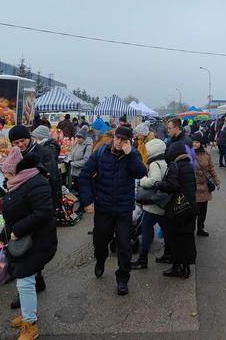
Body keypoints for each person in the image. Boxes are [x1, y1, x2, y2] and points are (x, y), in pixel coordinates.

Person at [78, 126, 147, 296]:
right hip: (104, 207)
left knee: (124, 244)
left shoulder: (133, 155)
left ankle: (123, 278)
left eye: (123, 139)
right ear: (113, 137)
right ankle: (100, 260)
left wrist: (130, 155)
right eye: (117, 138)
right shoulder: (102, 152)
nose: (119, 142)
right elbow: (85, 175)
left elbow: (141, 173)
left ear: (129, 141)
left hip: (124, 208)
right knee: (100, 240)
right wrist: (87, 201)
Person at [0, 146, 57, 340]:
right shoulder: (18, 182)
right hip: (26, 239)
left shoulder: (35, 182)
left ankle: (30, 325)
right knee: (24, 280)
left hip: (38, 240)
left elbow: (43, 212)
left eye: (7, 172)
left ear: (16, 170)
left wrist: (17, 230)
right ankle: (27, 314)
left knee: (24, 280)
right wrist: (3, 234)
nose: (5, 177)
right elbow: (16, 213)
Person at [4, 125, 61, 309]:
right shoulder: (13, 155)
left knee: (30, 251)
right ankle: (37, 280)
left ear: (29, 138)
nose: (20, 144)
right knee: (29, 251)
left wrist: (55, 206)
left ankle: (26, 293)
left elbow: (53, 179)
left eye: (23, 141)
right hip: (26, 207)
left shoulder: (43, 153)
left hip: (38, 207)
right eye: (16, 142)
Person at [154, 140, 198, 278]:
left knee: (175, 238)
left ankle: (176, 267)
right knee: (187, 238)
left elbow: (172, 185)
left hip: (178, 208)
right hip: (191, 206)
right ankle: (186, 268)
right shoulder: (190, 165)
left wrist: (159, 184)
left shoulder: (175, 166)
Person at [131, 138, 168, 269]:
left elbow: (155, 180)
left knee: (146, 230)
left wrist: (143, 180)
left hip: (153, 205)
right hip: (162, 203)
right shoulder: (164, 161)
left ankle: (143, 260)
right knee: (165, 229)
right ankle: (168, 255)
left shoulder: (154, 164)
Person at [192, 132, 220, 237]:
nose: (195, 144)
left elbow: (211, 168)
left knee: (203, 211)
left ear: (201, 142)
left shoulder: (206, 154)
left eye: (197, 142)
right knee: (193, 210)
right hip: (193, 187)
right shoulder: (188, 154)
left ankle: (200, 228)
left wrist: (217, 181)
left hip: (204, 187)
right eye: (193, 142)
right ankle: (191, 228)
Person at [30, 126, 63, 208]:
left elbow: (52, 174)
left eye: (34, 137)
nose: (33, 140)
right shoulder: (47, 147)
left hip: (50, 189)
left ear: (39, 137)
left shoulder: (49, 149)